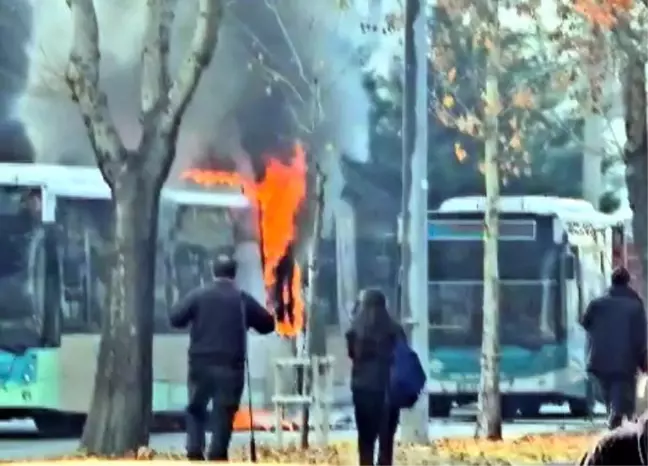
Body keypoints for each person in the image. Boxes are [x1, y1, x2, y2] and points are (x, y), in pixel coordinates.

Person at [169, 254, 275, 461]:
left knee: (195, 408)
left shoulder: (198, 295)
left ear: (213, 272)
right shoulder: (242, 299)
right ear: (234, 274)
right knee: (224, 413)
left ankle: (194, 448)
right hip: (231, 368)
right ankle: (217, 454)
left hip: (200, 364)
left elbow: (176, 318)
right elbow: (267, 325)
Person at [580, 266, 647, 430]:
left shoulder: (597, 304)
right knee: (620, 397)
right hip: (624, 361)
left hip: (599, 359)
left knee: (610, 393)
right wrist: (642, 360)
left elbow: (584, 323)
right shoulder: (635, 306)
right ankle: (616, 423)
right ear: (627, 282)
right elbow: (641, 336)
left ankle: (615, 422)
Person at [345, 288, 404, 466]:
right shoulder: (395, 329)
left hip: (362, 389)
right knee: (386, 439)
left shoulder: (354, 330)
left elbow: (352, 355)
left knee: (365, 438)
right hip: (389, 390)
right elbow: (403, 356)